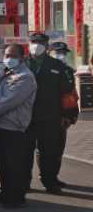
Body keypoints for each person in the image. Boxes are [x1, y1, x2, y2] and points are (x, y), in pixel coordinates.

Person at [0, 44, 37, 208]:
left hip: (14, 127)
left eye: (13, 56)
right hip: (0, 124)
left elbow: (8, 102)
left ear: (22, 58)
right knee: (3, 162)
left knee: (14, 164)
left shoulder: (25, 77)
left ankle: (16, 198)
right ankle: (5, 193)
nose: (8, 59)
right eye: (6, 55)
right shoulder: (7, 73)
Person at [26, 33, 78, 193]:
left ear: (46, 45)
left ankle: (49, 182)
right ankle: (24, 182)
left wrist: (68, 115)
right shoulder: (23, 63)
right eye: (34, 42)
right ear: (29, 44)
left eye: (40, 42)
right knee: (24, 152)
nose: (36, 45)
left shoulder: (57, 65)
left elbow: (67, 93)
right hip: (25, 117)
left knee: (48, 151)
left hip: (50, 117)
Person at [48, 41, 79, 184]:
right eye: (58, 52)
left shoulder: (68, 70)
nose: (61, 55)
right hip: (48, 116)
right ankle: (46, 177)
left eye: (63, 53)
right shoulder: (45, 70)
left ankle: (54, 177)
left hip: (63, 117)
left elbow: (71, 95)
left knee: (59, 149)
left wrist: (71, 115)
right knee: (45, 149)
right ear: (50, 53)